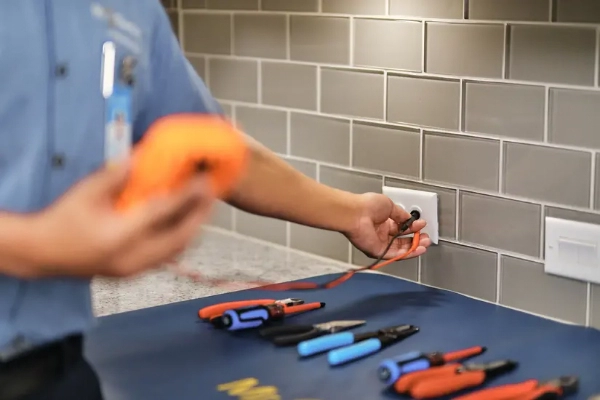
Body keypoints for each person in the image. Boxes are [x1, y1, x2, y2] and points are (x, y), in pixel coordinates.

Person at [0, 1, 431, 399]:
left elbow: (214, 150)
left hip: (56, 371)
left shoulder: (131, 10)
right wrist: (38, 246)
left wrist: (351, 212)